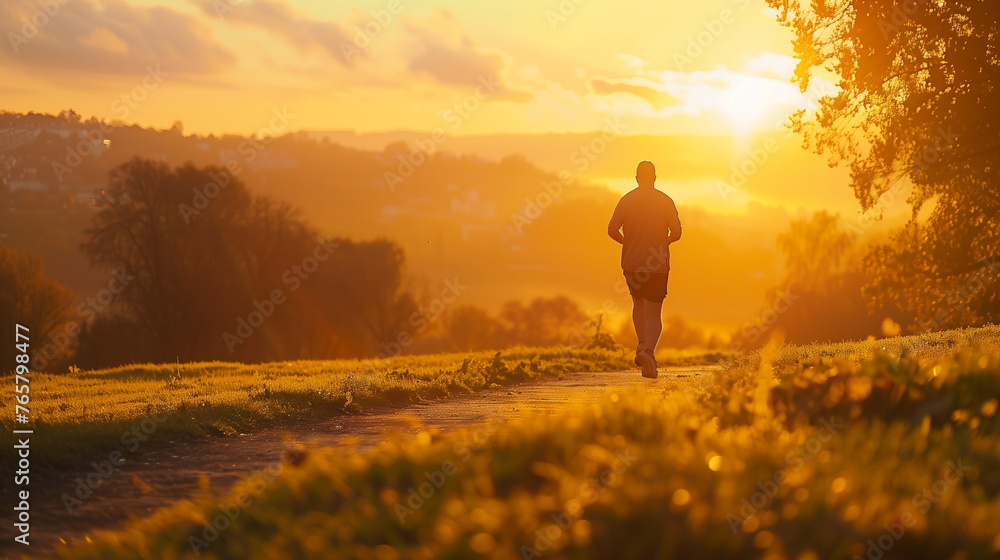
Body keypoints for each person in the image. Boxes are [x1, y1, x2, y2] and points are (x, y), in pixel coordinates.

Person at [607, 160, 682, 379]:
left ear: (637, 178)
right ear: (655, 178)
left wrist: (628, 242)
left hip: (632, 263)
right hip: (657, 265)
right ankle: (649, 351)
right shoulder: (665, 201)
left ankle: (641, 346)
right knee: (654, 312)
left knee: (637, 304)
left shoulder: (626, 200)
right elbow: (677, 233)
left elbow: (612, 230)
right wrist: (664, 242)